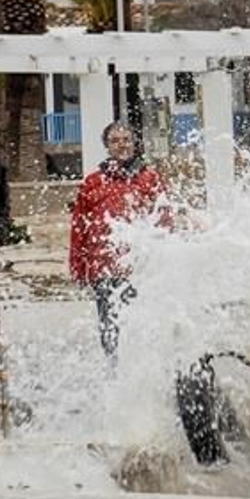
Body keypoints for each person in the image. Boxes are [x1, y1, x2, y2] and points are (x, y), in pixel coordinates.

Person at [69, 121, 168, 358]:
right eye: (115, 140)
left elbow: (165, 220)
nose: (121, 144)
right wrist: (77, 265)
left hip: (140, 268)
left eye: (125, 139)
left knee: (140, 323)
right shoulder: (93, 182)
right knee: (109, 326)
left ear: (134, 144)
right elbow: (79, 225)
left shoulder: (150, 179)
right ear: (107, 146)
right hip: (103, 267)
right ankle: (114, 372)